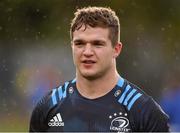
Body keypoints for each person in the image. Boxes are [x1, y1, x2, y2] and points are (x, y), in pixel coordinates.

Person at [29, 6, 169, 132]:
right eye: (80, 43)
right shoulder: (48, 106)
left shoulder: (144, 112)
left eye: (97, 44)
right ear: (72, 46)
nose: (87, 51)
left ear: (116, 49)